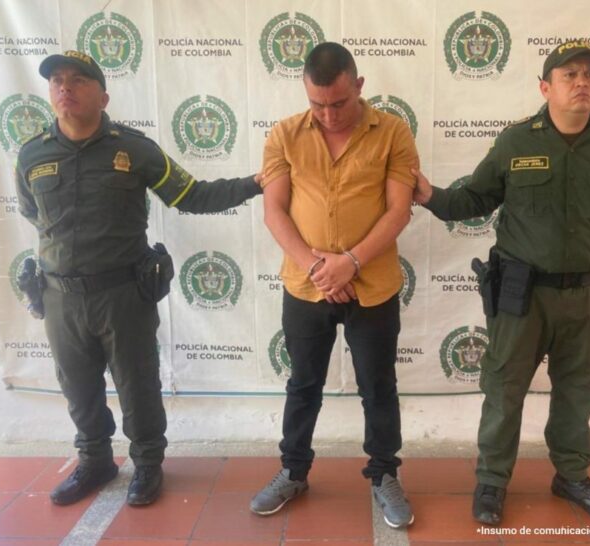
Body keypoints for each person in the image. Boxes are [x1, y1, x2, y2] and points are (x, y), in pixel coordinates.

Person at [15, 50, 262, 507]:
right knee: (78, 387)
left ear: (103, 96)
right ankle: (95, 461)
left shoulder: (134, 149)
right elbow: (32, 214)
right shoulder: (32, 154)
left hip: (123, 293)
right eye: (57, 81)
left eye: (79, 80)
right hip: (60, 298)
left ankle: (147, 464)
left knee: (138, 384)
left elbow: (192, 195)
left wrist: (256, 182)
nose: (65, 87)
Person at [413, 40, 590, 525]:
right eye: (569, 75)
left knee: (580, 389)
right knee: (504, 387)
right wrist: (429, 195)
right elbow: (474, 199)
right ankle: (492, 482)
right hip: (522, 293)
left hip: (589, 293)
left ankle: (571, 476)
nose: (582, 83)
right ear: (546, 87)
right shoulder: (516, 141)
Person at [250, 42, 418, 529]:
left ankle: (385, 474)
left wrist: (350, 262)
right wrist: (319, 268)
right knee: (303, 385)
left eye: (339, 103)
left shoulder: (392, 131)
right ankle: (293, 470)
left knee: (378, 386)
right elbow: (275, 210)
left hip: (374, 285)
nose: (328, 114)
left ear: (359, 86)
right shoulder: (284, 134)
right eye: (317, 104)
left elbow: (398, 210)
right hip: (305, 288)